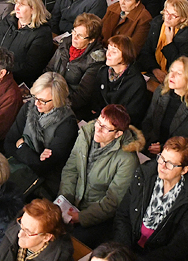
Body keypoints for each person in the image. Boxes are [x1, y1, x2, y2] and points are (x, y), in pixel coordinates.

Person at [58, 104, 144, 248]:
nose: (98, 128)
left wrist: (81, 217)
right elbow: (71, 169)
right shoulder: (86, 134)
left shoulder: (127, 160)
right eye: (98, 122)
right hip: (72, 201)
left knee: (70, 244)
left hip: (96, 214)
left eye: (105, 128)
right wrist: (65, 200)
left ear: (118, 134)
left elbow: (112, 202)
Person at [113, 136, 188, 260]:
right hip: (128, 247)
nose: (162, 166)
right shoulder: (144, 174)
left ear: (184, 169)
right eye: (161, 158)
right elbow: (123, 215)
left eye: (170, 164)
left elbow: (180, 246)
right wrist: (124, 251)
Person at [4, 72, 79, 194]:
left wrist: (21, 146)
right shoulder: (30, 106)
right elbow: (8, 142)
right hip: (16, 167)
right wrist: (34, 157)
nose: (36, 103)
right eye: (35, 97)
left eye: (43, 101)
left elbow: (44, 167)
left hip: (42, 182)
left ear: (57, 100)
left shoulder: (67, 125)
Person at [142, 57, 188, 155]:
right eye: (171, 71)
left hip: (176, 158)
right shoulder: (161, 92)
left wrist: (164, 149)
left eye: (178, 73)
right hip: (150, 148)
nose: (172, 76)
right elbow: (147, 121)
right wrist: (151, 144)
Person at [0, 0, 54, 85]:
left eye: (21, 5)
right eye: (16, 3)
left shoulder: (42, 33)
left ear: (33, 9)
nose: (16, 8)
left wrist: (0, 68)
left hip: (16, 80)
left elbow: (30, 68)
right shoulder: (8, 20)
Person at [88, 35, 151, 125]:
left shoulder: (136, 82)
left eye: (114, 52)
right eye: (108, 49)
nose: (108, 54)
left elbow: (132, 116)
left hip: (118, 126)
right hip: (100, 120)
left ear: (125, 55)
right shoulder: (103, 71)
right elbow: (95, 100)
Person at [138, 0, 188, 82]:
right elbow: (146, 51)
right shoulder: (157, 23)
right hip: (152, 70)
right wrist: (155, 69)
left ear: (183, 19)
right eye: (166, 12)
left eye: (173, 15)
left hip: (174, 77)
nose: (168, 17)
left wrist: (169, 43)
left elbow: (180, 65)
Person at [0, 199, 74, 261]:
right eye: (21, 225)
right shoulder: (15, 229)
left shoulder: (58, 257)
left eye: (28, 232)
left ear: (46, 237)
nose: (20, 234)